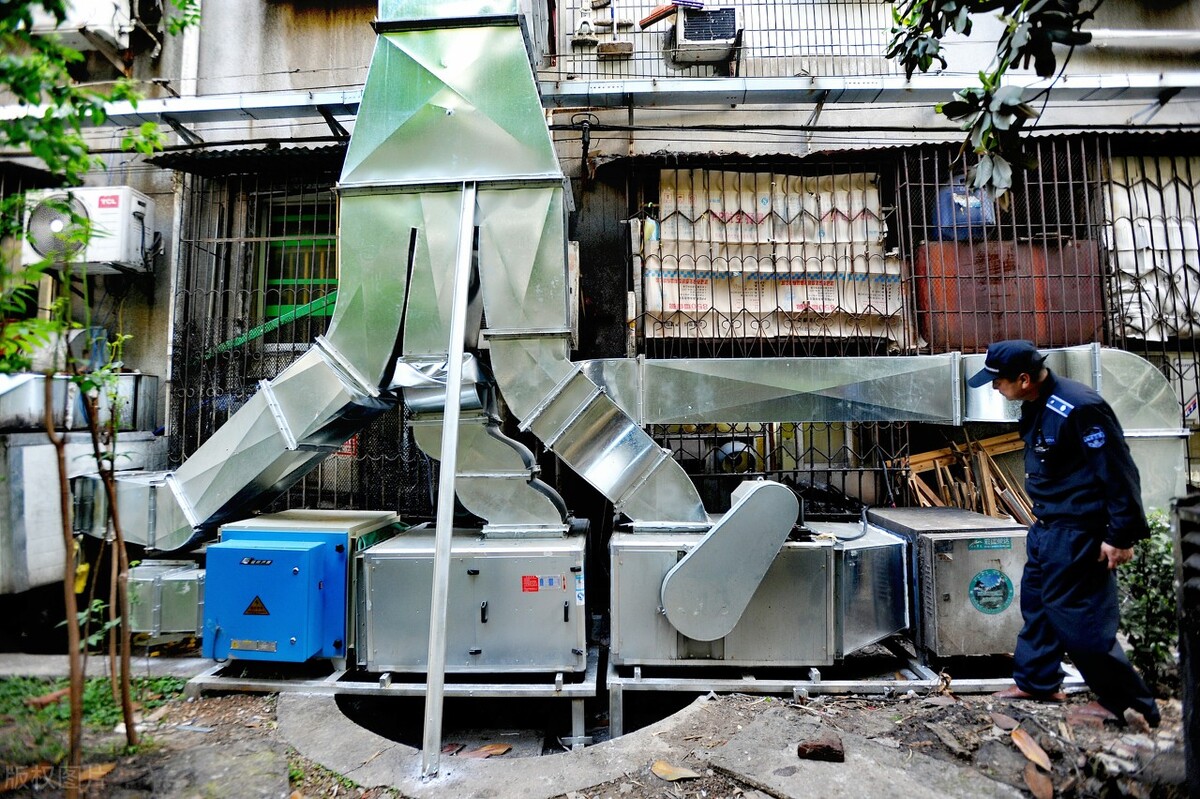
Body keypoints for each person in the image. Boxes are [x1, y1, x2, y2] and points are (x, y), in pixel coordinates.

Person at [966, 340, 1160, 728]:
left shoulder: (1079, 408)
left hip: (1079, 531)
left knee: (1081, 619)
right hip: (1049, 526)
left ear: (1024, 379)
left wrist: (1121, 535)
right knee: (1037, 605)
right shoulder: (1037, 404)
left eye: (997, 381)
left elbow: (1119, 472)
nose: (993, 388)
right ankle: (1037, 681)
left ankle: (1128, 703)